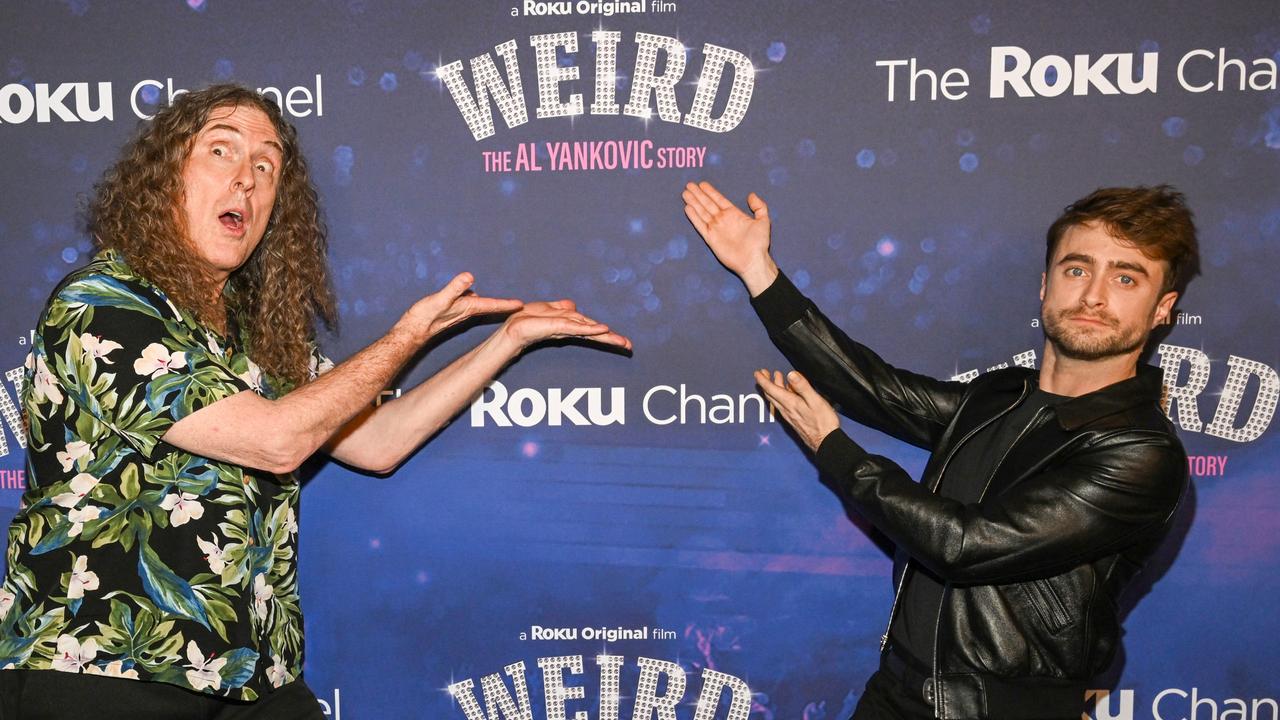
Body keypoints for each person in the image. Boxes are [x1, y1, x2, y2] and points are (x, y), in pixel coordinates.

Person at [0, 84, 630, 718]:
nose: (246, 179)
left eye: (266, 166)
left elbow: (379, 441)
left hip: (253, 677)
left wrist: (507, 342)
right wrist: (407, 336)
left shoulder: (257, 332)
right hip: (108, 670)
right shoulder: (103, 303)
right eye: (222, 151)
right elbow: (277, 440)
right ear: (165, 177)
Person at [682, 181, 1198, 719]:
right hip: (895, 694)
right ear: (1045, 285)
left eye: (1125, 278)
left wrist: (832, 448)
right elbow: (873, 388)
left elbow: (965, 546)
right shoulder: (1002, 396)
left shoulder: (1139, 450)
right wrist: (757, 271)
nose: (1093, 295)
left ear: (1162, 309)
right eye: (1077, 269)